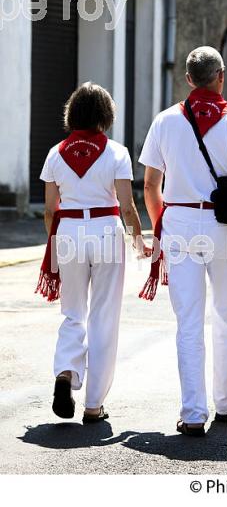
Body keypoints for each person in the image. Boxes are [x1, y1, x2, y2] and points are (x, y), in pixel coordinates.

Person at [139, 46, 227, 437]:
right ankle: (225, 402)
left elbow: (150, 185)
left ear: (188, 79)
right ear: (221, 76)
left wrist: (162, 225)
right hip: (226, 228)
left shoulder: (165, 121)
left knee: (188, 322)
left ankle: (193, 412)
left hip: (180, 221)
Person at [36, 81, 151, 423]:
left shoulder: (55, 153)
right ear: (105, 114)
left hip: (68, 232)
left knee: (72, 312)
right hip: (105, 230)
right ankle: (93, 405)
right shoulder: (116, 152)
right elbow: (127, 207)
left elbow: (48, 210)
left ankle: (66, 373)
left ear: (72, 113)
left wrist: (57, 244)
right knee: (104, 317)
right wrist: (138, 240)